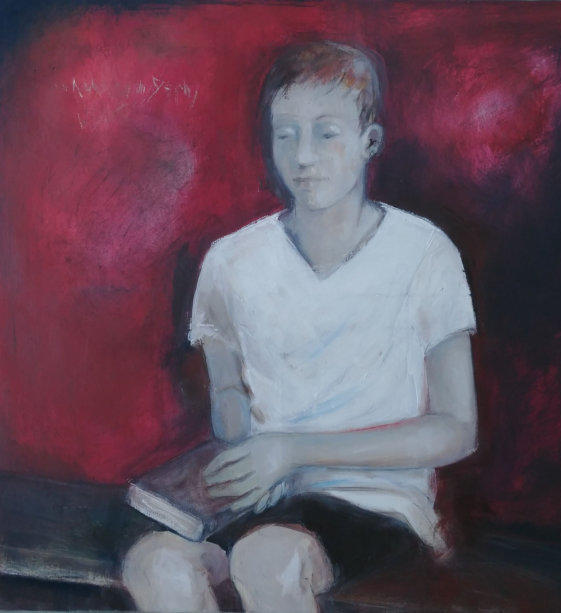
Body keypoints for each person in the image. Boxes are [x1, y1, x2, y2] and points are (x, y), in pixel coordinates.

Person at [122, 41, 478, 612]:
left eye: (325, 133)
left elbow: (456, 430)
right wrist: (231, 453)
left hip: (374, 503)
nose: (303, 156)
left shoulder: (423, 253)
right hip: (260, 498)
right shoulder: (231, 261)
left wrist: (292, 449)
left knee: (268, 559)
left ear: (369, 142)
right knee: (153, 564)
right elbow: (229, 399)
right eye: (285, 135)